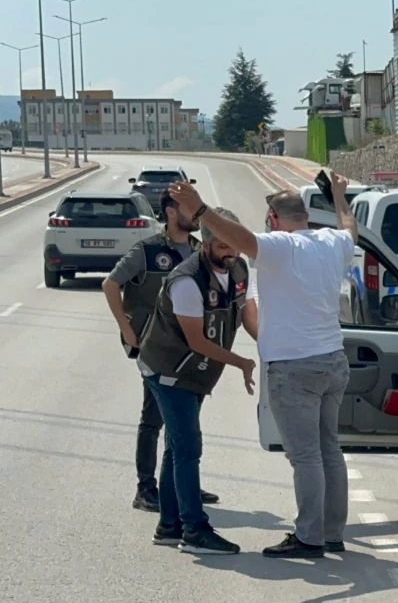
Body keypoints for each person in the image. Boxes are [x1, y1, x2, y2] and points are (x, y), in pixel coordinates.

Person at [168, 174, 356, 559]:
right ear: (305, 215)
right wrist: (339, 197)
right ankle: (332, 532)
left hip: (294, 366)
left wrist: (200, 209)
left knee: (305, 456)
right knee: (329, 450)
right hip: (334, 360)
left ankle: (309, 538)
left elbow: (235, 237)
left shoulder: (278, 246)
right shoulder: (334, 241)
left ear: (272, 218)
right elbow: (349, 225)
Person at [137, 208, 258, 555]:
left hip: (195, 372)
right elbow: (197, 341)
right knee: (188, 448)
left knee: (177, 447)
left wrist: (269, 341)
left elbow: (245, 309)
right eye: (222, 243)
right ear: (205, 241)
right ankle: (193, 529)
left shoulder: (237, 268)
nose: (230, 250)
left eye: (234, 241)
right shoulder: (187, 280)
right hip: (170, 371)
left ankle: (168, 526)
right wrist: (242, 362)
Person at [103, 191, 219, 513]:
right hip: (156, 349)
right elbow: (110, 284)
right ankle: (145, 489)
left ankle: (183, 483)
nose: (195, 214)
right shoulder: (149, 250)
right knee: (154, 418)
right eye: (187, 208)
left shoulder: (199, 250)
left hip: (191, 349)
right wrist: (126, 329)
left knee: (185, 420)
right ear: (170, 211)